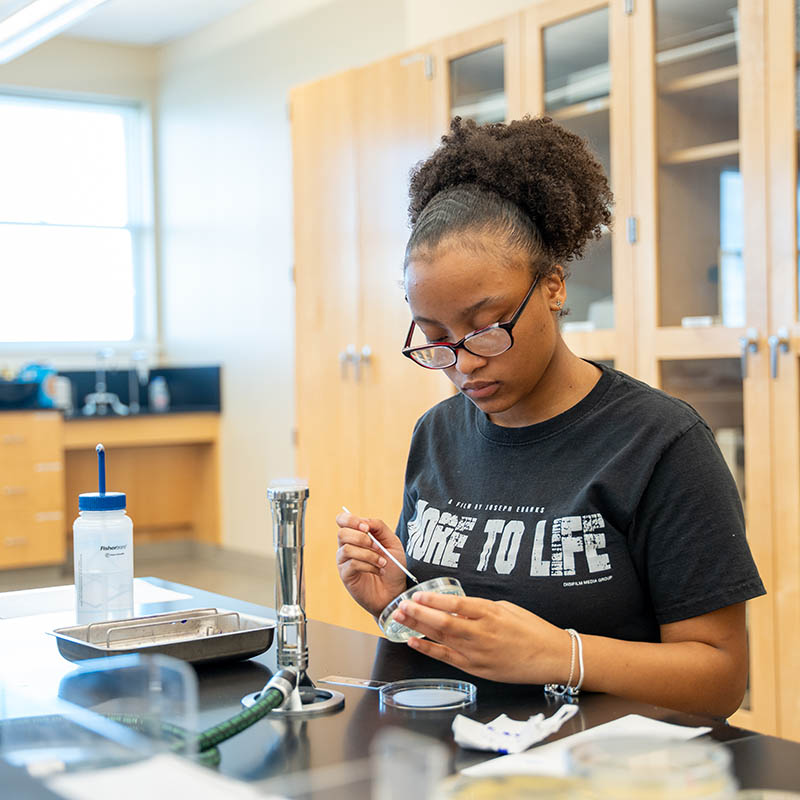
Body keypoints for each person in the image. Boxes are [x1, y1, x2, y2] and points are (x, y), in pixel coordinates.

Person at [335, 116, 764, 717]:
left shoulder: (660, 442)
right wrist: (400, 600)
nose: (462, 366)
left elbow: (720, 679)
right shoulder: (437, 432)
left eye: (486, 329)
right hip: (462, 749)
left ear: (555, 286)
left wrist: (561, 654)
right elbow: (465, 636)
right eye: (435, 339)